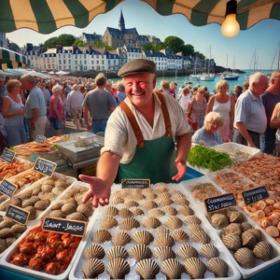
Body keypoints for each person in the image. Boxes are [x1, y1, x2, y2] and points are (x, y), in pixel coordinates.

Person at [79, 59, 192, 207]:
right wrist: (104, 181)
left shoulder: (168, 102)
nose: (135, 88)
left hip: (170, 185)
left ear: (154, 82)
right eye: (129, 84)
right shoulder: (119, 117)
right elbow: (111, 154)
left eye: (141, 82)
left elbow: (185, 133)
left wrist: (181, 159)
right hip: (134, 193)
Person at [233, 72, 268, 148]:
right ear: (254, 85)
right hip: (245, 137)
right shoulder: (245, 99)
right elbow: (239, 123)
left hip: (254, 136)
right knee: (243, 159)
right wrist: (250, 141)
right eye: (264, 84)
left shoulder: (258, 97)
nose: (267, 86)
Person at [21, 73, 47, 139]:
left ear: (28, 82)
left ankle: (42, 149)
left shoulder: (33, 93)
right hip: (39, 119)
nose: (22, 84)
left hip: (37, 120)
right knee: (40, 139)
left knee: (37, 141)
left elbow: (35, 110)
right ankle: (42, 149)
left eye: (23, 82)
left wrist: (33, 122)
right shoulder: (36, 90)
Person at [1, 79, 26, 147]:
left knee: (24, 144)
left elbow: (21, 108)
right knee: (16, 146)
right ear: (11, 88)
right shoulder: (7, 98)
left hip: (21, 124)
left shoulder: (19, 96)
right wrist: (17, 112)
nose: (19, 88)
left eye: (19, 87)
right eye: (17, 87)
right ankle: (14, 158)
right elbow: (4, 114)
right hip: (11, 127)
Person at [262, 71, 280, 154]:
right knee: (266, 154)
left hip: (277, 132)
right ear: (273, 81)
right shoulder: (263, 96)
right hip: (266, 133)